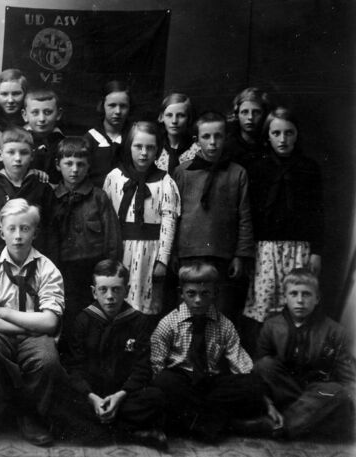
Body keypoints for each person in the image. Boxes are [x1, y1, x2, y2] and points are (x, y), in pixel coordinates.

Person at [0, 199, 65, 446]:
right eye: (11, 228)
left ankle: (30, 415)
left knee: (47, 359)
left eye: (25, 228)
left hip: (35, 337)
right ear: (1, 232)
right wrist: (28, 326)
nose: (18, 236)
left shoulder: (47, 269)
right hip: (2, 333)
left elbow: (50, 322)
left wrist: (4, 312)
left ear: (35, 232)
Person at [150, 262, 269, 443]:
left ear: (215, 293)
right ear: (181, 293)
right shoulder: (168, 324)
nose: (198, 300)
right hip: (182, 382)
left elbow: (241, 364)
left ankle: (195, 424)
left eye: (205, 293)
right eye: (191, 293)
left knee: (254, 384)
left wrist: (266, 401)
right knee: (163, 381)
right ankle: (221, 425)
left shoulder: (224, 325)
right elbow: (156, 366)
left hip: (210, 383)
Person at [54, 259, 167, 450]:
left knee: (156, 397)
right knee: (59, 400)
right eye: (103, 290)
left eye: (116, 290)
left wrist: (119, 396)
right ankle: (131, 434)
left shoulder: (139, 321)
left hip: (123, 396)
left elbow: (142, 368)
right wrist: (92, 398)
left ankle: (100, 434)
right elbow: (74, 367)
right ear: (93, 292)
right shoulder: (82, 321)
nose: (110, 297)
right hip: (92, 395)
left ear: (127, 290)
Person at [241, 107, 324, 354]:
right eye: (276, 133)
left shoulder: (308, 167)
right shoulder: (257, 167)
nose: (283, 139)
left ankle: (294, 358)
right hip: (265, 250)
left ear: (297, 135)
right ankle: (263, 359)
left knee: (296, 304)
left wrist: (316, 251)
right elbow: (248, 213)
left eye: (289, 133)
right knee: (264, 306)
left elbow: (317, 213)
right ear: (267, 136)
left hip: (299, 248)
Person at [253, 268, 355, 440]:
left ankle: (281, 426)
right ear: (285, 298)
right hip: (284, 389)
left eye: (306, 294)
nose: (300, 300)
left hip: (317, 394)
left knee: (337, 391)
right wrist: (267, 403)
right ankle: (300, 422)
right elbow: (258, 371)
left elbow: (349, 379)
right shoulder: (271, 326)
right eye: (294, 294)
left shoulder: (335, 332)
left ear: (317, 299)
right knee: (264, 365)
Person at [173, 111, 254, 325]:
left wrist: (240, 255)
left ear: (225, 137)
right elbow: (172, 216)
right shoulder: (182, 172)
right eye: (206, 136)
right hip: (189, 253)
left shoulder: (237, 173)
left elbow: (244, 217)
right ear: (197, 140)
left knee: (222, 312)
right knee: (188, 312)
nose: (212, 142)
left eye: (218, 136)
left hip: (223, 254)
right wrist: (173, 253)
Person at [103, 121, 180, 317]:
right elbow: (107, 220)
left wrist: (162, 260)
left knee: (146, 306)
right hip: (120, 250)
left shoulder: (165, 182)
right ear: (129, 147)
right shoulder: (114, 178)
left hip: (150, 253)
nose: (144, 153)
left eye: (150, 147)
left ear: (158, 150)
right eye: (138, 146)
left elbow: (169, 223)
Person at [51, 137, 122, 348]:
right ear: (58, 165)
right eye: (68, 163)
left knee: (94, 316)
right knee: (67, 315)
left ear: (89, 165)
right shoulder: (52, 197)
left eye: (80, 164)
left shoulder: (98, 197)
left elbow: (112, 237)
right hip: (63, 271)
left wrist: (109, 269)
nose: (75, 170)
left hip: (93, 270)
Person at [0, 128, 54, 259]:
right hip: (1, 258)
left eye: (24, 153)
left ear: (32, 155)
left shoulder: (42, 188)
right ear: (0, 155)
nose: (17, 158)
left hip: (35, 258)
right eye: (11, 152)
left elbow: (51, 232)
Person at [84, 80, 132, 187]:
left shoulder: (135, 136)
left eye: (123, 106)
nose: (118, 111)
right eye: (112, 105)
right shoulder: (90, 138)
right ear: (102, 106)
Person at [22, 88, 65, 184]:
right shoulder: (18, 142)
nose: (41, 119)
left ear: (58, 114)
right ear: (25, 115)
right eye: (35, 113)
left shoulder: (63, 143)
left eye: (48, 112)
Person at [223, 87, 272, 169]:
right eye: (244, 112)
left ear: (264, 114)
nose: (250, 117)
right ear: (237, 115)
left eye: (256, 112)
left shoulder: (270, 144)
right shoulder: (228, 147)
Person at [155, 92, 200, 175]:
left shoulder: (198, 149)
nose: (174, 121)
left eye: (181, 115)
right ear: (161, 117)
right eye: (169, 115)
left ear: (189, 118)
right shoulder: (155, 147)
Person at [0, 69, 28, 149]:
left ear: (25, 94)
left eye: (16, 94)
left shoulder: (32, 123)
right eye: (4, 94)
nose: (10, 100)